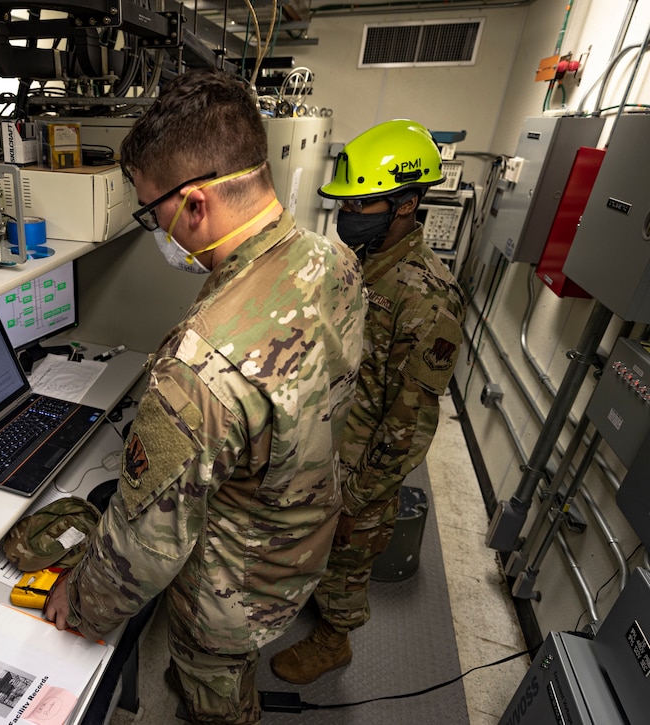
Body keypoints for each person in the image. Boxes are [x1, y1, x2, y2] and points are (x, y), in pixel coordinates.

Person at [43, 68, 366, 724]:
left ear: (194, 204)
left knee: (212, 698)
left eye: (152, 212)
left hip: (231, 595)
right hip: (301, 538)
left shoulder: (199, 361)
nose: (158, 230)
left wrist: (77, 603)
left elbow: (144, 546)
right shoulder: (332, 260)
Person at [269, 119, 466, 685]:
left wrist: (359, 497)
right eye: (346, 203)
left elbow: (409, 422)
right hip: (328, 436)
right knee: (312, 539)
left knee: (349, 554)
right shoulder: (365, 258)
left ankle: (335, 640)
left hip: (363, 464)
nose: (348, 214)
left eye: (363, 203)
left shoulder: (426, 298)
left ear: (405, 205)